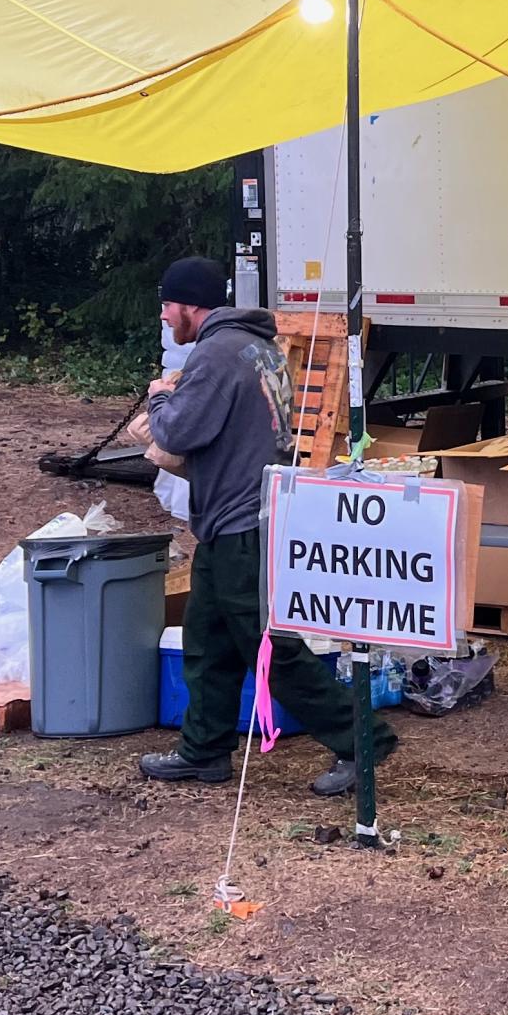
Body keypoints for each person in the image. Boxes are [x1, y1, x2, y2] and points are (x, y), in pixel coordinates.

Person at [133, 257, 395, 793]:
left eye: (166, 305)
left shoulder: (216, 354)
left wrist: (160, 396)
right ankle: (204, 750)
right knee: (207, 641)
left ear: (189, 304)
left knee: (269, 646)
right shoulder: (258, 348)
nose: (163, 316)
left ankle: (363, 738)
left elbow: (179, 432)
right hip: (241, 518)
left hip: (240, 523)